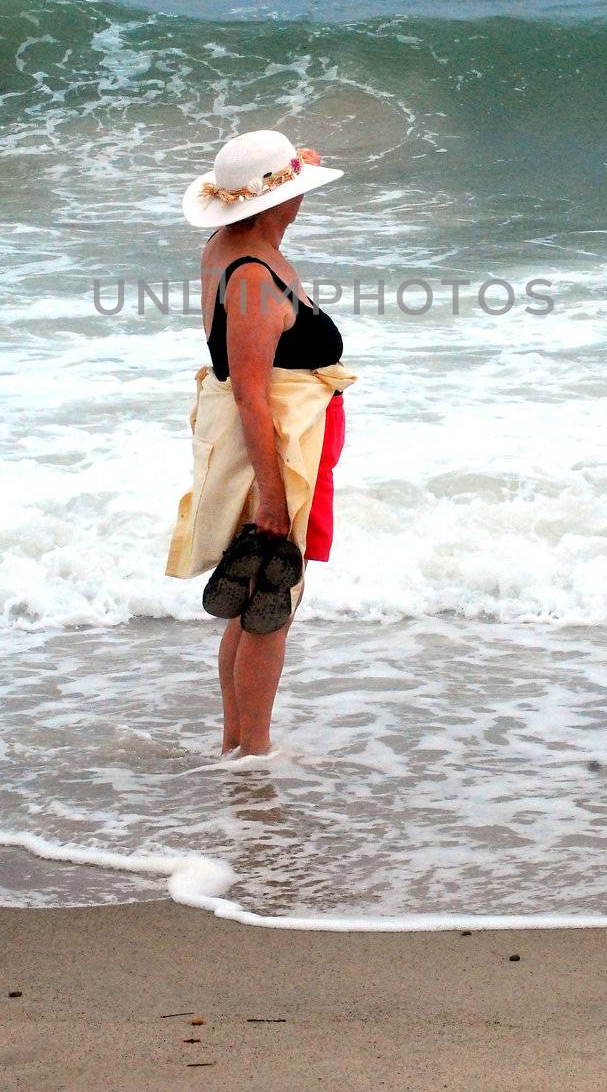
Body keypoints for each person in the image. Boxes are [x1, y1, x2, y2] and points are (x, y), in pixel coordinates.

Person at [177, 128, 351, 758]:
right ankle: (254, 759)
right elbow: (251, 395)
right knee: (270, 605)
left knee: (255, 599)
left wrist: (293, 163)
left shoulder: (233, 243)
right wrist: (273, 500)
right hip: (271, 454)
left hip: (280, 445)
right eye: (295, 188)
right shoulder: (252, 276)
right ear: (277, 201)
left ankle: (235, 747)